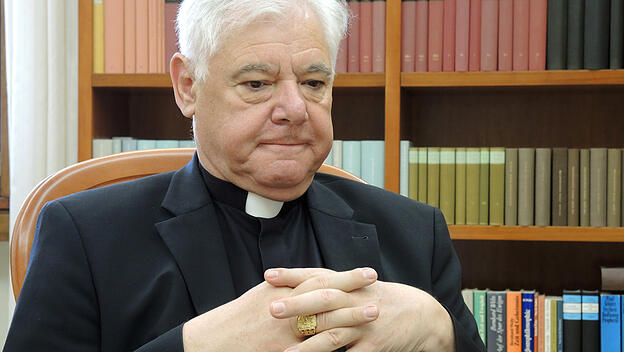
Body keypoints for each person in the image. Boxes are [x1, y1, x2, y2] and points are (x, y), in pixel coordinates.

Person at [4, 0, 485, 351]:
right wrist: (193, 346)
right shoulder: (84, 235)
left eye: (314, 83)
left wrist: (438, 327)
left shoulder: (415, 233)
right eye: (257, 83)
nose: (296, 109)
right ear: (188, 86)